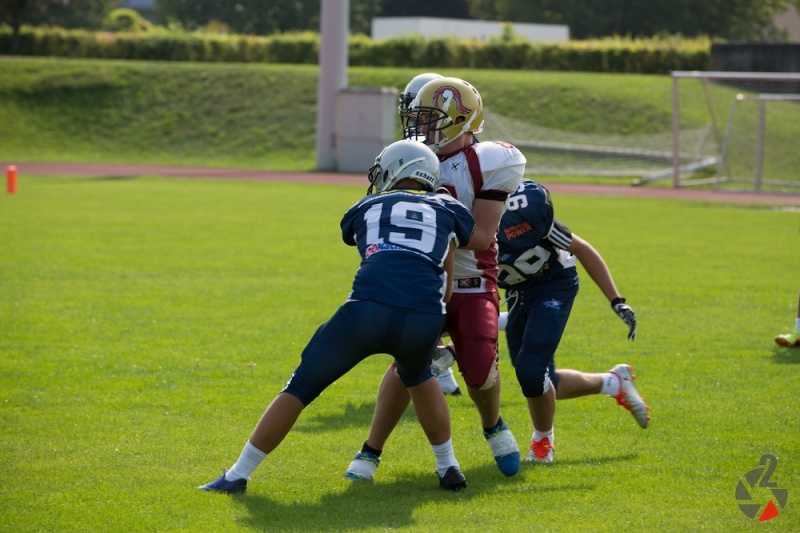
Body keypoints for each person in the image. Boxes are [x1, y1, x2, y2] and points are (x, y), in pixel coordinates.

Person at [198, 139, 475, 493]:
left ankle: (237, 475)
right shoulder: (449, 210)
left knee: (300, 387)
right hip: (423, 318)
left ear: (397, 168)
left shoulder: (366, 206)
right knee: (419, 376)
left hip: (366, 312)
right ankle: (448, 467)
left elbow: (374, 252)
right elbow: (446, 284)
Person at [345, 76, 525, 482]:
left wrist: (437, 211)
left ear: (460, 120)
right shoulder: (410, 157)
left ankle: (493, 424)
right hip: (421, 279)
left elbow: (480, 237)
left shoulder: (490, 161)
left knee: (479, 370)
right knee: (405, 364)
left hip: (473, 280)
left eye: (428, 119)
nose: (419, 128)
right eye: (417, 118)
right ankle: (370, 451)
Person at [463, 178, 650, 463]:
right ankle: (613, 382)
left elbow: (582, 249)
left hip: (554, 284)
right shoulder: (468, 223)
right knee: (544, 382)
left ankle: (543, 441)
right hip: (517, 292)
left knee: (530, 371)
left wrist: (617, 300)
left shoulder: (533, 216)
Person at [398, 71, 462, 397]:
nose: (415, 121)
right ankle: (442, 374)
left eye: (423, 114)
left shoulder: (460, 155)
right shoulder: (417, 149)